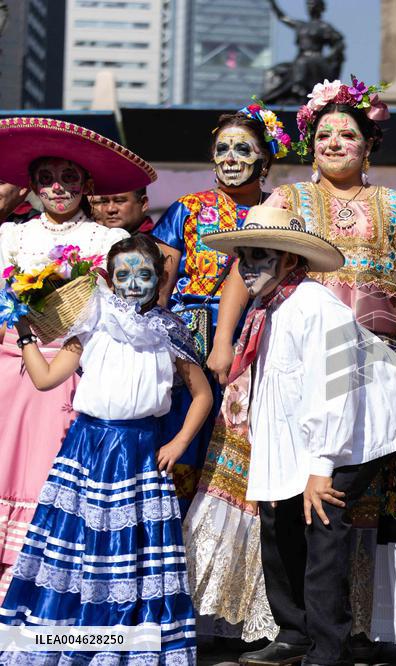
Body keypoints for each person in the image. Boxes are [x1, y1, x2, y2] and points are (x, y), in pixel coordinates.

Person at [196, 79, 396, 648]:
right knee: (279, 495)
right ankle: (291, 626)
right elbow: (241, 273)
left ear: (370, 145)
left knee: (341, 506)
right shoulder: (287, 201)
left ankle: (349, 628)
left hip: (360, 370)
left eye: (349, 134)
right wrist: (224, 343)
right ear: (308, 143)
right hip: (285, 360)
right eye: (325, 135)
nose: (336, 143)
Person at [0, 234, 212, 664]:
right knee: (76, 547)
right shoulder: (90, 323)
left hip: (139, 451)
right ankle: (64, 642)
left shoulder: (169, 330)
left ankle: (127, 645)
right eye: (124, 274)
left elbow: (203, 394)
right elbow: (44, 379)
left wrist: (179, 441)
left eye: (144, 274)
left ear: (160, 277)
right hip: (87, 448)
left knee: (132, 552)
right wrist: (24, 333)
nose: (134, 282)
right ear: (109, 280)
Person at [0, 117, 154, 598]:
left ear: (87, 185)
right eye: (47, 177)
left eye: (69, 177)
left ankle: (37, 585)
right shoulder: (9, 234)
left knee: (51, 468)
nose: (58, 187)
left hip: (73, 365)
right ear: (32, 186)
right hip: (8, 364)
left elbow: (117, 312)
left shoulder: (106, 242)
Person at [152, 101, 288, 514]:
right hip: (189, 339)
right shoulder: (187, 209)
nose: (231, 158)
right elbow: (160, 284)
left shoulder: (281, 211)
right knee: (183, 445)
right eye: (222, 149)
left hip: (259, 338)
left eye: (243, 149)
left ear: (264, 159)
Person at [90, 187, 154, 234]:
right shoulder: (92, 239)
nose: (110, 209)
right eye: (104, 202)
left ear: (143, 204)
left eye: (119, 201)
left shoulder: (159, 244)